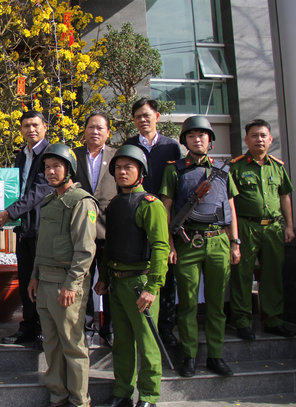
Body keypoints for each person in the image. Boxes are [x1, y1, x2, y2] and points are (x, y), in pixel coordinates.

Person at [159, 116, 241, 377]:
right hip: (188, 242)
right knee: (188, 304)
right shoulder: (175, 169)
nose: (198, 139)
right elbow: (166, 211)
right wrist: (170, 245)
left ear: (210, 140)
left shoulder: (224, 171)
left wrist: (235, 243)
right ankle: (189, 356)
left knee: (217, 305)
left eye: (203, 135)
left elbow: (230, 208)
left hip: (218, 241)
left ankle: (215, 356)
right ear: (185, 141)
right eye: (192, 135)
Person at [94, 145, 169, 407]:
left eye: (128, 167)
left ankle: (148, 395)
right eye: (118, 167)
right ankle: (122, 391)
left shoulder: (151, 204)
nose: (122, 172)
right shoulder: (114, 205)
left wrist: (153, 286)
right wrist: (103, 277)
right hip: (116, 283)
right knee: (122, 342)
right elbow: (109, 245)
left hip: (140, 283)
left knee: (147, 343)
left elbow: (161, 246)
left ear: (141, 172)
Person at [28, 143, 98, 407]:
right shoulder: (48, 201)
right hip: (45, 282)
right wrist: (34, 276)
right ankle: (58, 396)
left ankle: (80, 401)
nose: (50, 172)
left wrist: (72, 284)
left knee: (73, 346)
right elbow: (41, 245)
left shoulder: (82, 202)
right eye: (47, 167)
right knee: (52, 344)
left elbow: (85, 249)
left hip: (66, 285)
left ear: (69, 169)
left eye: (56, 166)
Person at [0, 110, 54, 350]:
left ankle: (43, 329)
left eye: (35, 125)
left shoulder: (50, 153)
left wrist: (9, 212)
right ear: (21, 130)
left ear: (45, 127)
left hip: (42, 227)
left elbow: (40, 190)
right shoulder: (21, 155)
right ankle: (27, 326)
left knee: (43, 282)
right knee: (26, 279)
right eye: (26, 126)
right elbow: (12, 189)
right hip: (24, 228)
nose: (31, 130)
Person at [228, 119, 295, 339]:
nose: (259, 139)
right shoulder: (236, 167)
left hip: (274, 228)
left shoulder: (277, 166)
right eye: (254, 135)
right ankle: (242, 321)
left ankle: (274, 320)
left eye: (263, 135)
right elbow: (230, 203)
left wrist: (289, 226)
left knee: (273, 275)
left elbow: (284, 196)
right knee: (242, 275)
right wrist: (233, 236)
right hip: (246, 226)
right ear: (246, 139)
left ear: (270, 139)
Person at [124, 98, 182, 347]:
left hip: (164, 217)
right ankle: (139, 323)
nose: (142, 120)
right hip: (137, 217)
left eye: (147, 115)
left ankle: (166, 327)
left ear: (157, 116)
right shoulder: (129, 145)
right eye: (138, 116)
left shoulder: (172, 147)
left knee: (165, 271)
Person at [74, 112, 117, 347]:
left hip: (109, 231)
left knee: (109, 280)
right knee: (85, 281)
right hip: (81, 230)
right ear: (85, 130)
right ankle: (87, 327)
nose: (95, 132)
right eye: (91, 127)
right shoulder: (75, 156)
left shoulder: (116, 156)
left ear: (108, 132)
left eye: (100, 128)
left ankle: (108, 328)